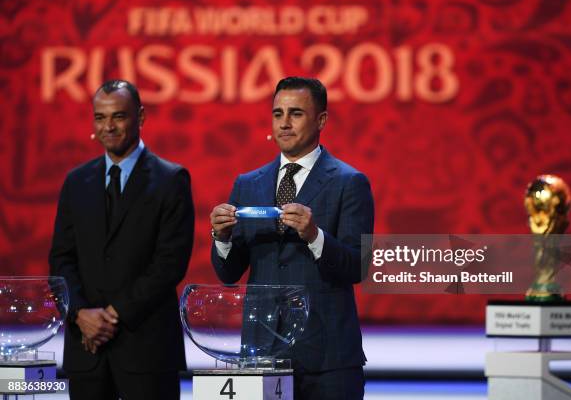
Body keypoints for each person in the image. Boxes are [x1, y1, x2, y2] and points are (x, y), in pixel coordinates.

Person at [210, 76, 374, 400]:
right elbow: (229, 273)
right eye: (277, 113)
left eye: (296, 113)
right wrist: (222, 236)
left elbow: (358, 267)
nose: (284, 123)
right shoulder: (248, 184)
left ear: (321, 120)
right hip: (262, 354)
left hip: (327, 359)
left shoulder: (349, 183)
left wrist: (315, 236)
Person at [49, 80, 195, 400]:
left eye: (118, 116)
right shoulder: (76, 182)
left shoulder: (171, 180)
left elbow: (170, 264)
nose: (108, 127)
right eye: (100, 118)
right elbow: (61, 259)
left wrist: (111, 315)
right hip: (86, 351)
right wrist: (81, 315)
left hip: (147, 349)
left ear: (140, 117)